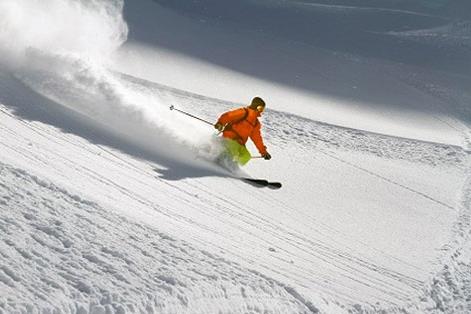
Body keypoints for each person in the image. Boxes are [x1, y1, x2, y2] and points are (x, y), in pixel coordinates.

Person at [214, 97, 271, 166]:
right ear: (256, 106)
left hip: (240, 143)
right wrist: (220, 123)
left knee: (246, 156)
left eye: (262, 109)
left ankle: (231, 168)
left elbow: (257, 139)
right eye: (260, 108)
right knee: (233, 150)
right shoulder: (244, 112)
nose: (261, 111)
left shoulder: (255, 123)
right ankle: (219, 162)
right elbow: (228, 116)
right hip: (229, 139)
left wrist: (264, 152)